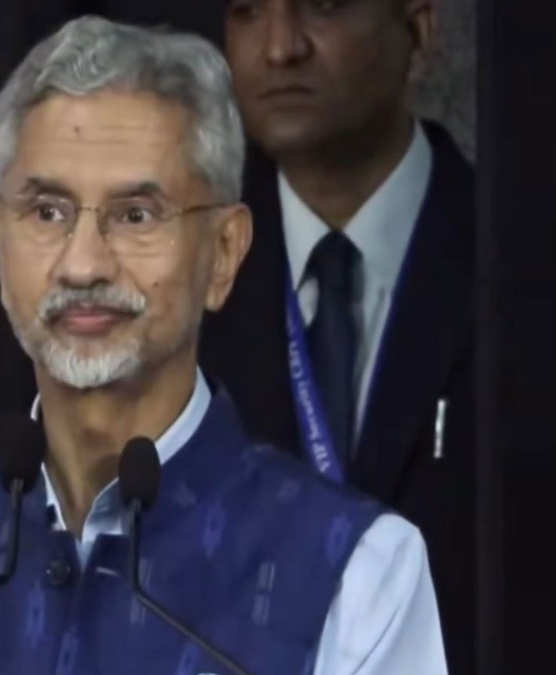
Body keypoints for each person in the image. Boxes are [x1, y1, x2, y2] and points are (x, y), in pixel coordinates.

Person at [0, 16, 447, 675]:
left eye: (136, 215)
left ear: (224, 253)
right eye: (47, 212)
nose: (83, 265)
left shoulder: (359, 581)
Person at [203, 1, 476, 672]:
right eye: (247, 11)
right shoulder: (183, 279)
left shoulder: (519, 263)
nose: (279, 48)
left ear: (418, 30)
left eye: (322, 6)